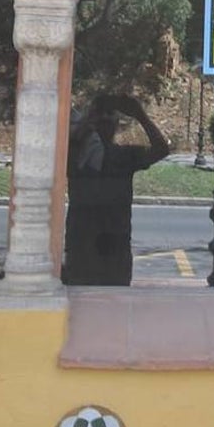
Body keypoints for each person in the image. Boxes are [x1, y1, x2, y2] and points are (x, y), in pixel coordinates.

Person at [62, 94, 170, 286]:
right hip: (94, 244)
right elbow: (161, 149)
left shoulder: (83, 156)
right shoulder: (81, 155)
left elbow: (162, 150)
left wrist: (92, 116)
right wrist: (140, 116)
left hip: (101, 244)